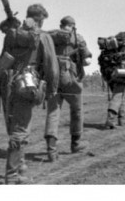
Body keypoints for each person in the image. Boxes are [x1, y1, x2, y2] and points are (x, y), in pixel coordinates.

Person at [0, 4, 59, 184]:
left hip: (6, 83)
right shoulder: (44, 37)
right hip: (26, 85)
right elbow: (52, 68)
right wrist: (51, 90)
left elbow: (3, 58)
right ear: (41, 19)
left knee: (14, 126)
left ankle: (21, 169)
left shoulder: (12, 34)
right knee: (21, 131)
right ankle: (12, 177)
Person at [44, 16, 92, 162]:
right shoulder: (77, 38)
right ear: (73, 26)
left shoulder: (49, 37)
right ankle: (76, 143)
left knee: (53, 112)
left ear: (61, 25)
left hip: (51, 78)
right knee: (77, 109)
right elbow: (87, 60)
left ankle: (51, 150)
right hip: (69, 78)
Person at [98, 31, 125, 129]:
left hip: (108, 73)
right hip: (120, 73)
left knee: (118, 95)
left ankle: (121, 120)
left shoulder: (108, 46)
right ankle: (110, 120)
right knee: (117, 96)